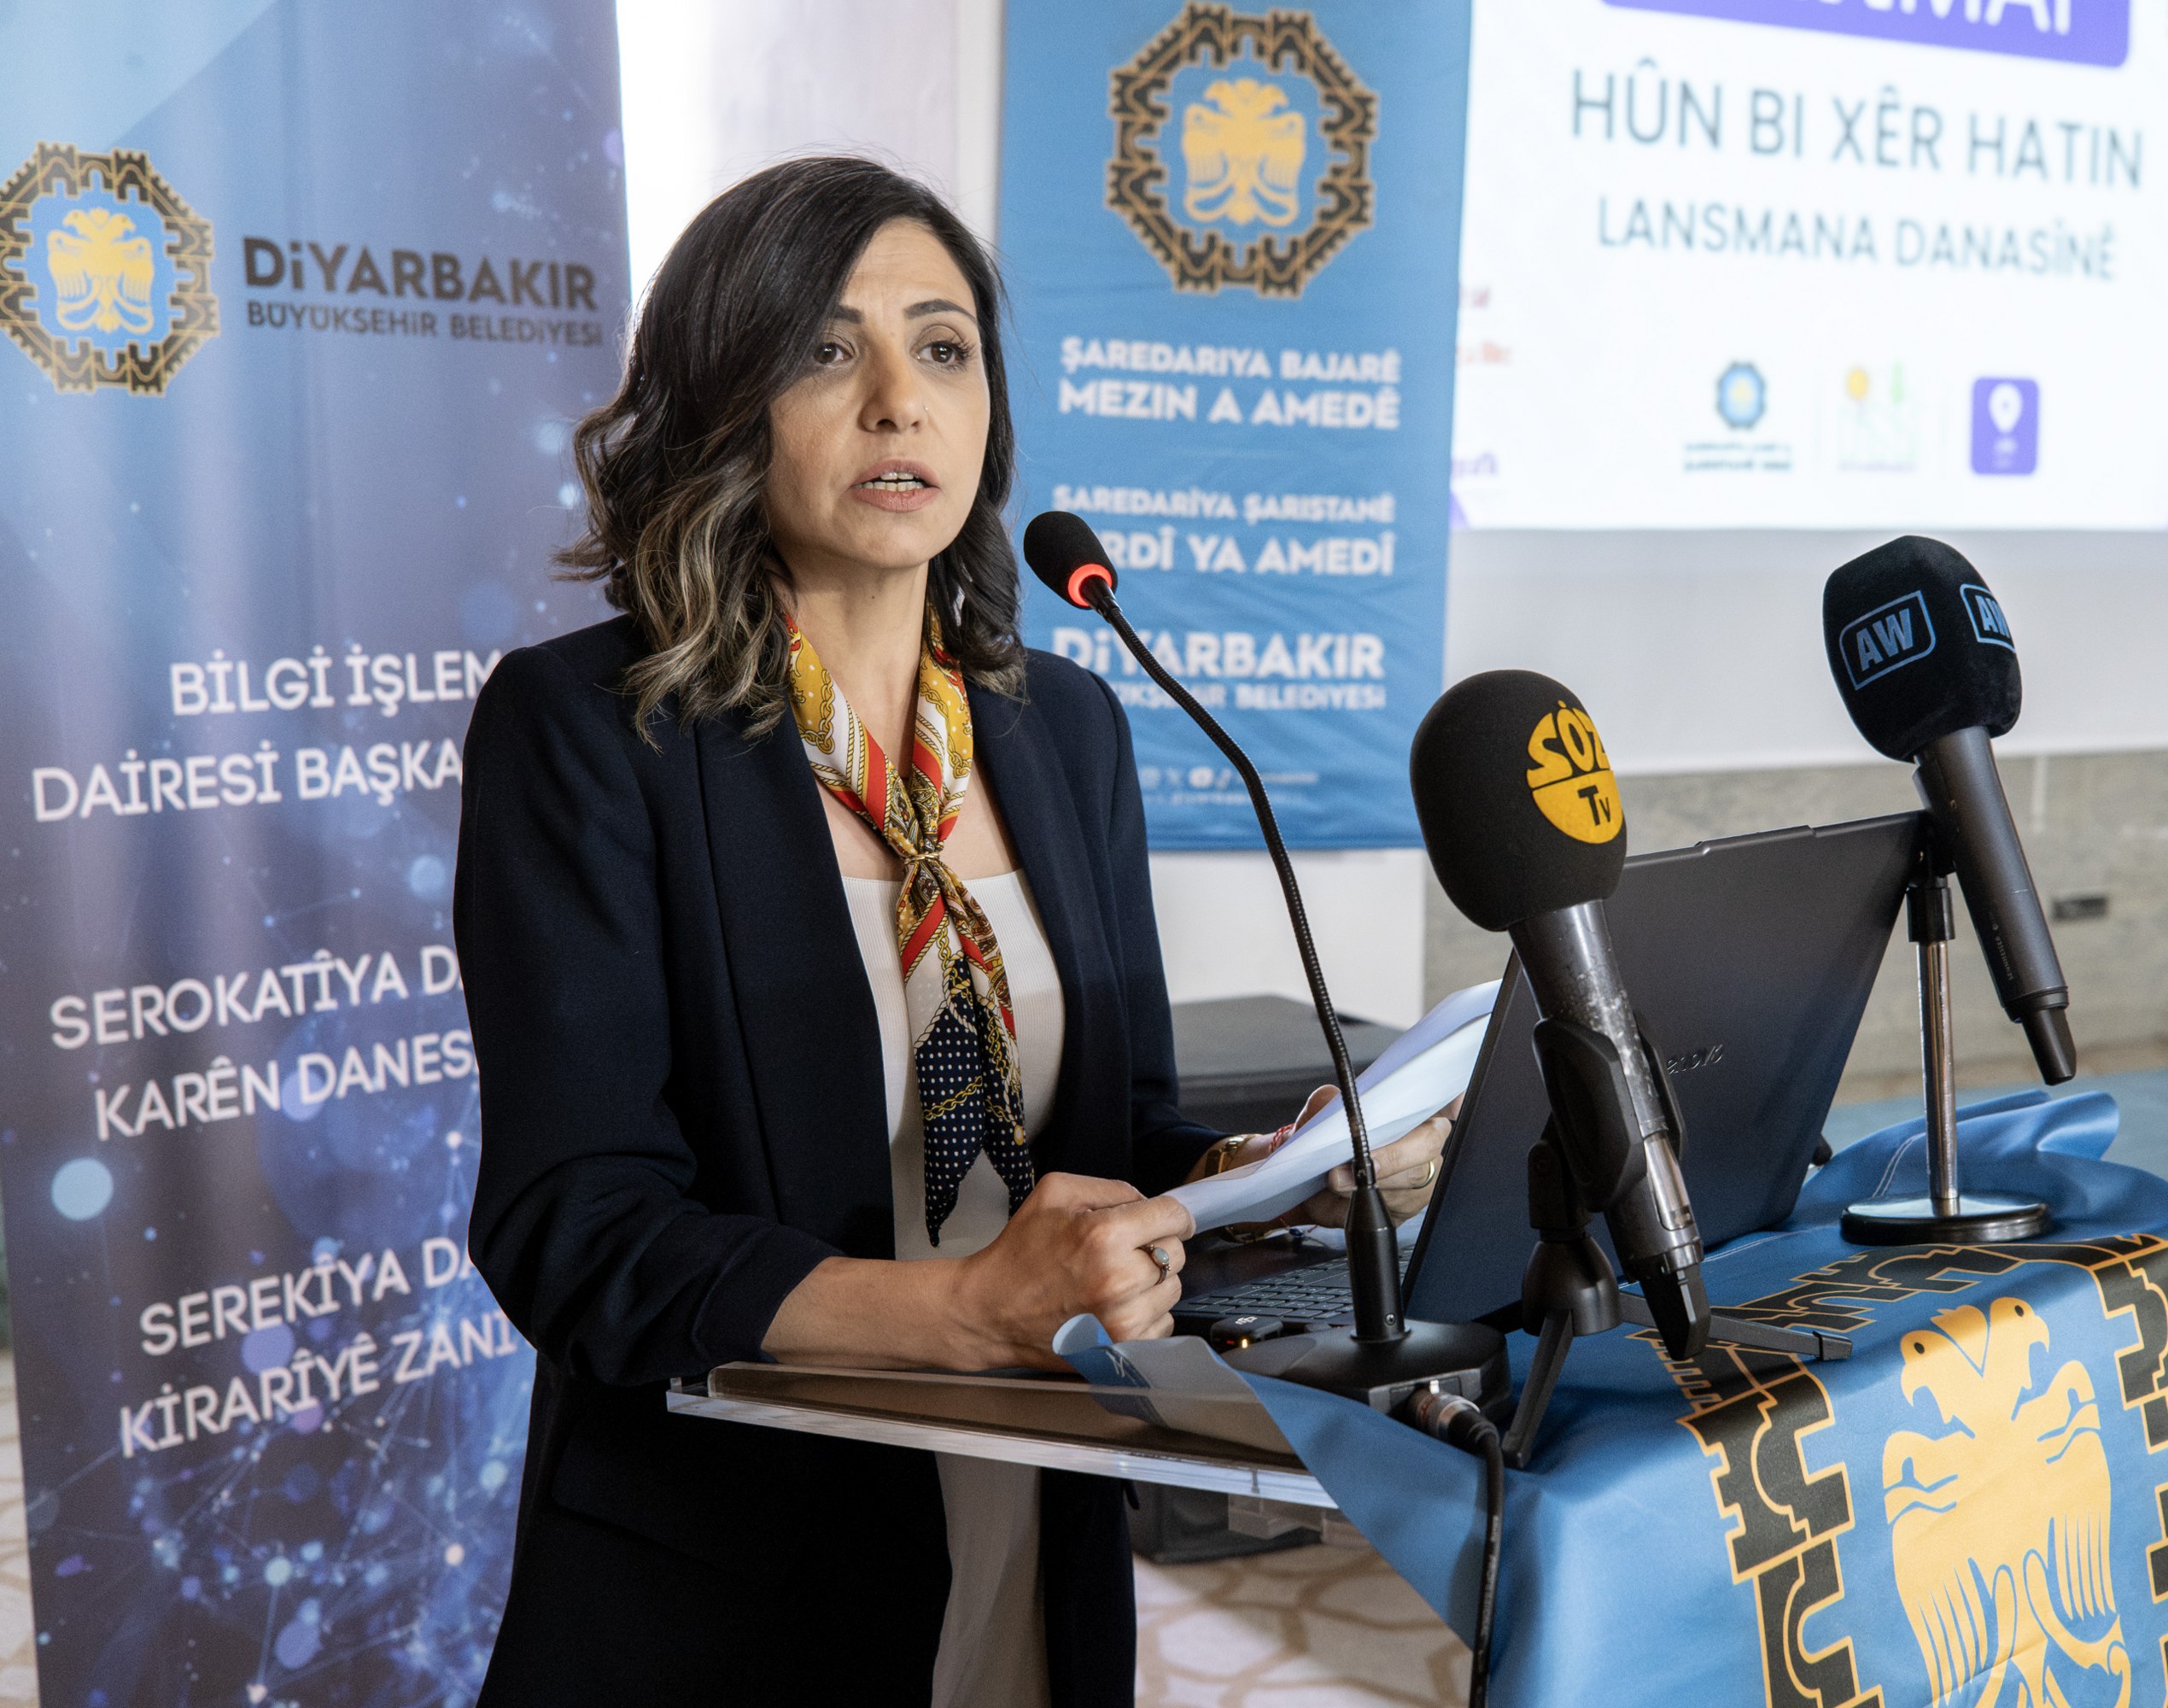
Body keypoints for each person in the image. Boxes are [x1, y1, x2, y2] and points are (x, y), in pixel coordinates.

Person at [454, 155, 1451, 1707]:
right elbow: (576, 1230)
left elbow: (1113, 1138)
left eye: (942, 348)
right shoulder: (588, 730)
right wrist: (969, 1311)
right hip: (733, 1573)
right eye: (825, 349)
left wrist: (1274, 1181)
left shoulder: (1064, 727)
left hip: (1039, 1505)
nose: (897, 404)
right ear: (724, 401)